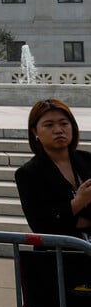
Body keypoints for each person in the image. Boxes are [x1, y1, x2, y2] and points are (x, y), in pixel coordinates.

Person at [15, 98, 91, 238]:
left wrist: (68, 217)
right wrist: (80, 201)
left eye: (64, 123)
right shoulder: (29, 173)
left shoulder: (87, 160)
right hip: (60, 255)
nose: (58, 130)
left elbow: (58, 217)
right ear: (35, 131)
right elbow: (41, 224)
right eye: (48, 125)